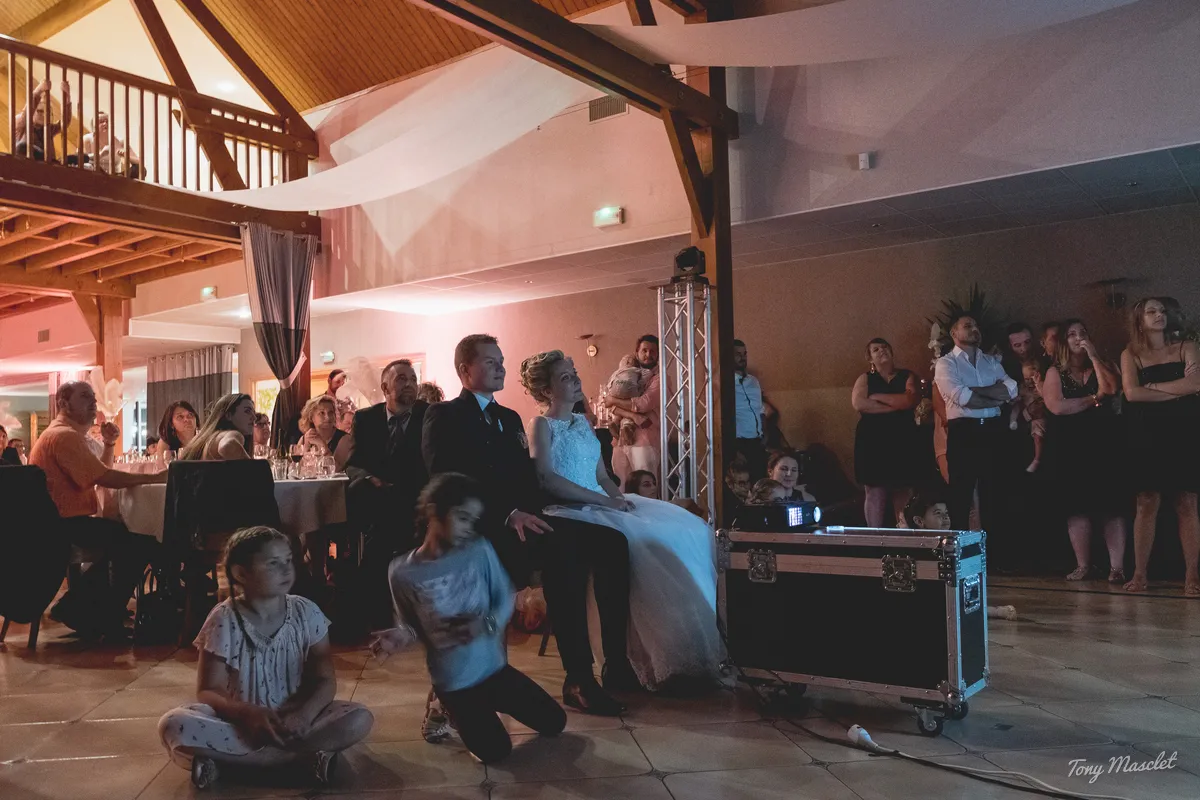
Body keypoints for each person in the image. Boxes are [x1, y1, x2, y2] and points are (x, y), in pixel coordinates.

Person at [423, 335, 633, 717]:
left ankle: (616, 663)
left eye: (501, 360)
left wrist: (541, 510)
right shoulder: (445, 415)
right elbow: (448, 481)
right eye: (490, 361)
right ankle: (578, 678)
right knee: (564, 555)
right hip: (484, 528)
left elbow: (525, 478)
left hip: (526, 519)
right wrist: (507, 513)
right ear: (464, 370)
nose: (500, 367)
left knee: (613, 543)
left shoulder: (509, 418)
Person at [520, 349, 721, 691]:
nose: (576, 380)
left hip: (599, 500)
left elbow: (601, 474)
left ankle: (660, 649)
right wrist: (600, 500)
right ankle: (622, 658)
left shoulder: (584, 424)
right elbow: (546, 478)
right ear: (548, 391)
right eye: (566, 378)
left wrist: (615, 497)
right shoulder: (541, 424)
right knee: (631, 544)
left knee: (681, 528)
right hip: (567, 507)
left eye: (574, 373)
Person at [158, 527, 373, 790]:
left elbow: (324, 679)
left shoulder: (307, 613)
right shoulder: (224, 620)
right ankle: (297, 759)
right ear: (241, 573)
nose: (286, 569)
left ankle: (233, 763)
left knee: (358, 717)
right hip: (241, 723)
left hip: (294, 720)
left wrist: (304, 715)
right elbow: (208, 690)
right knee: (173, 724)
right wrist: (247, 714)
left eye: (288, 560)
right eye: (273, 563)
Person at [373, 474, 567, 764]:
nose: (468, 528)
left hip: (493, 670)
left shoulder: (479, 549)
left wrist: (486, 624)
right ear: (433, 511)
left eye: (472, 520)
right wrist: (400, 636)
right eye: (462, 517)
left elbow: (506, 597)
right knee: (496, 752)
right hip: (454, 682)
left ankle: (480, 708)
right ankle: (448, 707)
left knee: (556, 723)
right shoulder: (401, 572)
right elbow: (412, 625)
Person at [28, 381, 165, 636]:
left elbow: (97, 472)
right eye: (84, 397)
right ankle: (96, 612)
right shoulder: (64, 437)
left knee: (125, 536)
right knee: (136, 541)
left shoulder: (66, 434)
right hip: (62, 526)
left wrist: (109, 444)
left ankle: (81, 607)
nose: (93, 402)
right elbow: (106, 478)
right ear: (64, 403)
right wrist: (155, 478)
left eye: (93, 397)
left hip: (56, 522)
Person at [1119, 298, 1200, 596]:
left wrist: (1152, 388)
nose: (1159, 316)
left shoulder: (1186, 347)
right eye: (1152, 311)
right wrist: (1176, 389)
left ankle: (1192, 574)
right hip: (1147, 434)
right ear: (1140, 319)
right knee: (1146, 503)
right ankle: (1140, 574)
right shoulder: (1131, 354)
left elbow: (1195, 384)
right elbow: (1131, 394)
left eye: (1162, 311)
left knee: (1187, 502)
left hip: (1184, 432)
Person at [343, 359, 430, 626]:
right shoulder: (366, 418)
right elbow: (353, 463)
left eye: (413, 379)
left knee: (381, 539)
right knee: (371, 511)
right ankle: (373, 610)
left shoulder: (430, 414)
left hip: (418, 498)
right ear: (385, 386)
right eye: (402, 379)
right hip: (379, 498)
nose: (410, 384)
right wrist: (369, 477)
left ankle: (372, 608)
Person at [1042, 319, 1126, 583]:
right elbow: (1057, 406)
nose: (1078, 338)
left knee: (1111, 507)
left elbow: (1111, 389)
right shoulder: (1055, 372)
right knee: (1077, 507)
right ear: (1064, 342)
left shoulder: (1105, 364)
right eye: (1072, 335)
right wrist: (1093, 399)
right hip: (1071, 446)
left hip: (1105, 444)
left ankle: (1117, 568)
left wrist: (1093, 355)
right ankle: (1083, 565)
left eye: (1083, 333)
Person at [934, 314, 1019, 531]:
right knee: (961, 495)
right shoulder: (946, 363)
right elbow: (962, 397)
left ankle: (996, 556)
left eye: (976, 326)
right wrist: (994, 396)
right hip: (964, 432)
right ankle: (961, 557)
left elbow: (1012, 389)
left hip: (992, 430)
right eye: (968, 326)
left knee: (995, 493)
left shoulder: (990, 362)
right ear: (954, 333)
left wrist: (975, 392)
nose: (975, 329)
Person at [851, 338, 920, 527]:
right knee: (874, 491)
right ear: (870, 358)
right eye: (876, 349)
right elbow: (859, 404)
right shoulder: (864, 378)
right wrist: (896, 406)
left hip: (902, 438)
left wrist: (877, 397)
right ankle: (875, 536)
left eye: (885, 347)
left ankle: (904, 533)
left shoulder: (907, 375)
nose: (882, 350)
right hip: (872, 440)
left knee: (903, 489)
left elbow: (910, 401)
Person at [604, 335, 660, 485]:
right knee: (621, 489)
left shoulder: (659, 378)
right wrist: (632, 415)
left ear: (658, 355)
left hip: (644, 440)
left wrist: (613, 401)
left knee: (645, 490)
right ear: (637, 353)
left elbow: (643, 404)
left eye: (653, 351)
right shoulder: (626, 375)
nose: (648, 355)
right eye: (645, 350)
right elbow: (609, 407)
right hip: (620, 441)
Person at [732, 339, 770, 481]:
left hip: (757, 441)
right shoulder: (723, 383)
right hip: (738, 442)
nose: (742, 357)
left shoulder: (753, 381)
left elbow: (760, 409)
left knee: (759, 481)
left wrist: (765, 433)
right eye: (737, 354)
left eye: (744, 353)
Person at [179, 394, 256, 461]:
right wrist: (255, 471)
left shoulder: (208, 439)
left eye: (253, 412)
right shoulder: (233, 434)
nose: (254, 417)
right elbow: (227, 445)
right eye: (247, 411)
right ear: (229, 415)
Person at [14, 78, 71, 162]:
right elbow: (26, 113)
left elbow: (64, 123)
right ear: (33, 111)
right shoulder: (22, 123)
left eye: (47, 112)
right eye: (40, 111)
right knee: (21, 146)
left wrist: (67, 98)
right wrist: (39, 90)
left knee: (79, 158)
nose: (44, 114)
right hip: (29, 163)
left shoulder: (48, 129)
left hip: (47, 164)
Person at [1009, 362, 1046, 473]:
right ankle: (1012, 421)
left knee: (1037, 435)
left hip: (1038, 417)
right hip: (1024, 414)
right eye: (1026, 379)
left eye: (1031, 378)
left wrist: (1039, 386)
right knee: (1016, 406)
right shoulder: (1023, 387)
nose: (1029, 382)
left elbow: (1047, 399)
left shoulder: (1042, 386)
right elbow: (1015, 398)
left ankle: (1037, 459)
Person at [81, 111, 141, 176]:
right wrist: (100, 155)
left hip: (115, 175)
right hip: (95, 173)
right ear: (94, 126)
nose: (105, 124)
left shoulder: (120, 141)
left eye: (107, 121)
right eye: (101, 122)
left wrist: (125, 156)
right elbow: (80, 158)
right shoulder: (87, 139)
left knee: (139, 169)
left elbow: (139, 161)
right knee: (87, 166)